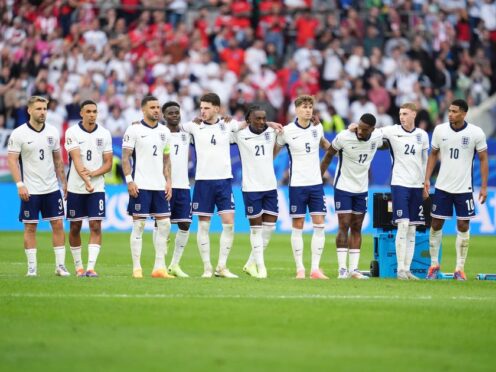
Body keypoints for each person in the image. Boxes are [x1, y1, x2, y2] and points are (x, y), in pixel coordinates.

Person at [179, 93, 243, 278]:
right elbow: (172, 128)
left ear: (217, 108)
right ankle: (207, 268)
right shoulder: (193, 126)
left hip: (224, 181)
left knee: (229, 224)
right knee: (204, 227)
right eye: (201, 108)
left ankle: (221, 267)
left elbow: (249, 124)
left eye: (207, 108)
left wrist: (270, 124)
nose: (203, 111)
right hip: (203, 182)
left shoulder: (228, 124)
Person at [424, 99, 488, 280]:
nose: (450, 114)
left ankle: (459, 269)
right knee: (436, 224)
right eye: (449, 111)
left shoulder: (476, 133)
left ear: (464, 113)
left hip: (464, 188)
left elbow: (483, 159)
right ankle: (434, 266)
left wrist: (483, 186)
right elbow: (433, 154)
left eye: (454, 111)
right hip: (443, 187)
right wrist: (427, 178)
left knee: (463, 225)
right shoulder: (440, 130)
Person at [7, 96, 69, 277]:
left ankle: (60, 266)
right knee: (30, 227)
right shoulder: (19, 133)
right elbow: (12, 160)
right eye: (39, 108)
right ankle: (32, 268)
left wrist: (63, 183)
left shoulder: (52, 131)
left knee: (58, 224)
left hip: (51, 188)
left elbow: (58, 159)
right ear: (29, 110)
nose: (42, 112)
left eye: (44, 108)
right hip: (31, 190)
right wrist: (20, 184)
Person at [320, 113, 383, 279]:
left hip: (361, 189)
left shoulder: (377, 136)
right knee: (344, 225)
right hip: (343, 187)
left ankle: (353, 269)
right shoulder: (344, 137)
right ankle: (342, 269)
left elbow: (387, 140)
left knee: (357, 227)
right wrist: (319, 178)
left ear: (372, 129)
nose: (360, 132)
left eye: (365, 130)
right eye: (359, 128)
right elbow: (328, 156)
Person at [275, 95, 330, 279]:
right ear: (296, 110)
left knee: (319, 225)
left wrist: (338, 149)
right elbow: (274, 152)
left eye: (310, 107)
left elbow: (324, 146)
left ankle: (315, 269)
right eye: (304, 107)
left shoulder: (317, 127)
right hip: (297, 185)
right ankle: (300, 269)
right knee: (297, 226)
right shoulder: (287, 131)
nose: (308, 110)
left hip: (316, 184)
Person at [122, 96, 173, 279]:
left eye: (158, 107)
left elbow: (166, 159)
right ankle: (137, 268)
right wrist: (129, 180)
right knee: (139, 225)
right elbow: (125, 156)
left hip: (159, 186)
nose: (157, 110)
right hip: (140, 185)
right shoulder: (134, 129)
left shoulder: (165, 132)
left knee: (165, 224)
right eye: (152, 107)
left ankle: (159, 267)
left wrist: (169, 182)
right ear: (143, 110)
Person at [380, 103, 430, 280]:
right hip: (400, 183)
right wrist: (357, 127)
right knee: (402, 224)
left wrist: (426, 181)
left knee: (413, 227)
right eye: (400, 113)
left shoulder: (422, 135)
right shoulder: (392, 131)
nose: (401, 116)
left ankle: (407, 269)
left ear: (414, 114)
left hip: (417, 185)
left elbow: (424, 161)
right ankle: (400, 269)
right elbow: (373, 133)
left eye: (405, 114)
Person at [64, 100, 113, 277]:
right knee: (75, 226)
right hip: (76, 187)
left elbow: (108, 163)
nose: (92, 114)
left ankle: (90, 267)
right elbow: (76, 160)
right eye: (89, 111)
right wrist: (86, 180)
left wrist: (92, 176)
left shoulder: (104, 133)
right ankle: (78, 267)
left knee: (95, 225)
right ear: (81, 113)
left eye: (95, 111)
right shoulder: (72, 132)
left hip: (97, 187)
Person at [233, 106, 278, 279]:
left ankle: (250, 263)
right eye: (257, 118)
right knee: (256, 229)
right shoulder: (239, 135)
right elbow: (224, 130)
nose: (261, 122)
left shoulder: (272, 132)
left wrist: (273, 124)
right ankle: (261, 268)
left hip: (270, 187)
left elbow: (287, 132)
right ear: (249, 120)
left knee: (270, 228)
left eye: (263, 118)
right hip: (251, 188)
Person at [159, 101, 192, 278]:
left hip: (183, 186)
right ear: (164, 116)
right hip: (163, 185)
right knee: (162, 225)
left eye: (177, 112)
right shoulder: (159, 134)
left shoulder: (187, 134)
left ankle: (174, 265)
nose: (175, 115)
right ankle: (160, 265)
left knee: (185, 224)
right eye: (170, 113)